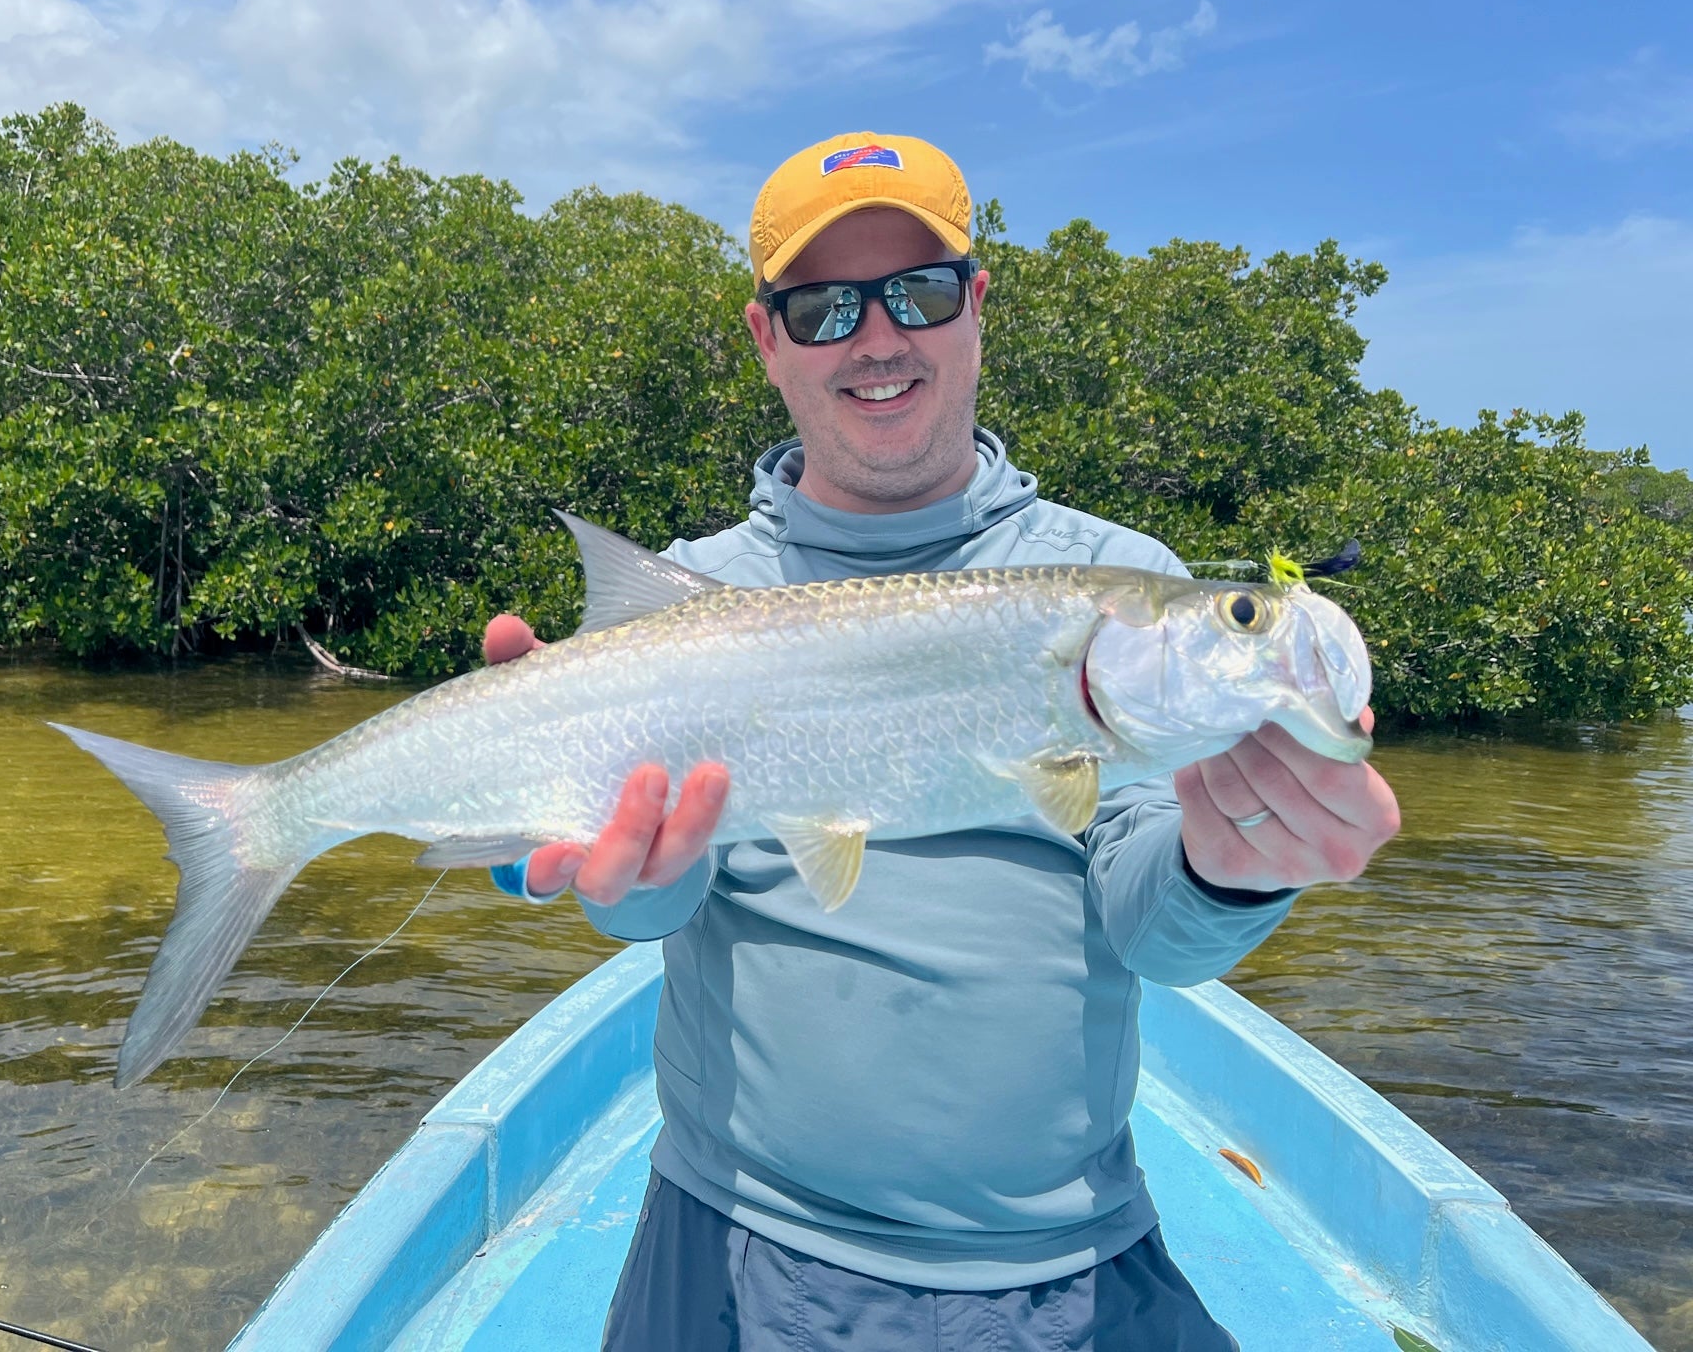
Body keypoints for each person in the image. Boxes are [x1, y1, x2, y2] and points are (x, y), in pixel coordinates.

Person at [482, 132, 1401, 1350]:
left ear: (974, 309)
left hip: (1064, 1259)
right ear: (767, 339)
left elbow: (1157, 930)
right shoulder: (695, 595)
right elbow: (642, 902)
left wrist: (1228, 868)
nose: (876, 337)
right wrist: (598, 874)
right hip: (739, 1237)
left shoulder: (1124, 578)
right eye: (821, 306)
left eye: (915, 294)